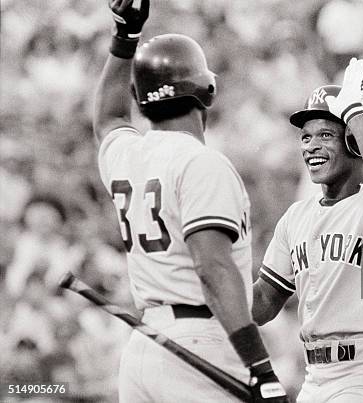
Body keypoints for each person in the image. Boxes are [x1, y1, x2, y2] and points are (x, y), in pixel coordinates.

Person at [93, 1, 287, 402]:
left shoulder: (128, 154)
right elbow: (212, 268)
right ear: (207, 91)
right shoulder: (202, 163)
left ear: (139, 97)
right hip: (202, 342)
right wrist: (259, 365)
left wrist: (124, 38)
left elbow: (108, 118)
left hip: (145, 344)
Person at [251, 57, 363, 402]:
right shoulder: (295, 217)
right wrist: (205, 288)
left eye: (326, 135)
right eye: (305, 137)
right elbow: (263, 304)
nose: (311, 146)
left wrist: (355, 113)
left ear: (354, 143)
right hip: (316, 376)